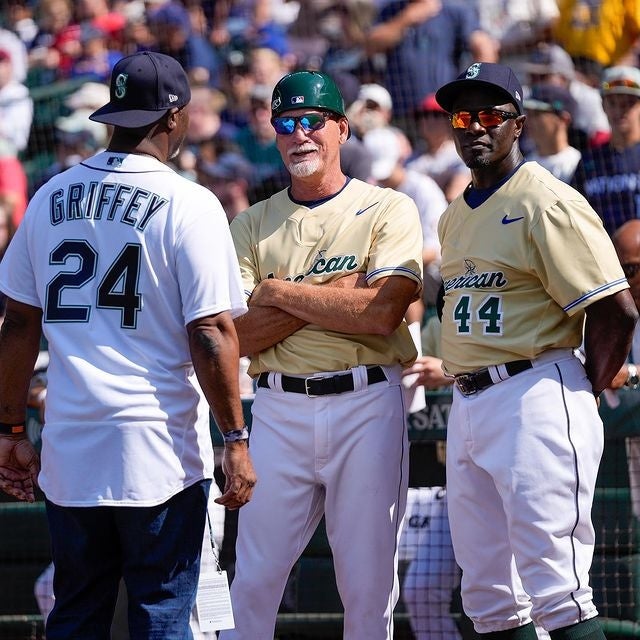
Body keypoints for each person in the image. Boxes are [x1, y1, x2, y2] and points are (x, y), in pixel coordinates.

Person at [0, 51, 257, 639]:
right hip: (158, 452)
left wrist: (9, 430)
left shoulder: (50, 197)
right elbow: (211, 331)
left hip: (71, 450)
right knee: (162, 614)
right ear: (174, 119)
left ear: (113, 116)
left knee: (76, 615)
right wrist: (236, 438)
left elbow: (17, 323)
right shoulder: (190, 204)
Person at [433, 61, 637, 638]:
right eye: (462, 115)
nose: (474, 126)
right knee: (489, 595)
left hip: (535, 390)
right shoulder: (453, 215)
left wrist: (584, 390)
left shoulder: (547, 199)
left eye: (490, 114)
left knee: (559, 590)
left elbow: (615, 308)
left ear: (517, 124)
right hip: (470, 402)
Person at [219, 70, 424, 640]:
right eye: (285, 123)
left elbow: (382, 313)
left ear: (340, 128)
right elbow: (234, 336)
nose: (299, 134)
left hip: (366, 402)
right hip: (279, 407)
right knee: (253, 581)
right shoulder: (251, 222)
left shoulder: (387, 207)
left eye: (312, 121)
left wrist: (279, 291)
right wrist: (338, 296)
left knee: (365, 586)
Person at [572, 65, 640, 237]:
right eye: (613, 103)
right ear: (603, 105)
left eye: (628, 104)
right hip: (600, 257)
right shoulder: (589, 161)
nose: (619, 111)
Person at [523, 83, 581, 183]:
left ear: (564, 119)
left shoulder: (577, 163)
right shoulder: (523, 165)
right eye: (528, 113)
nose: (528, 120)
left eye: (537, 114)